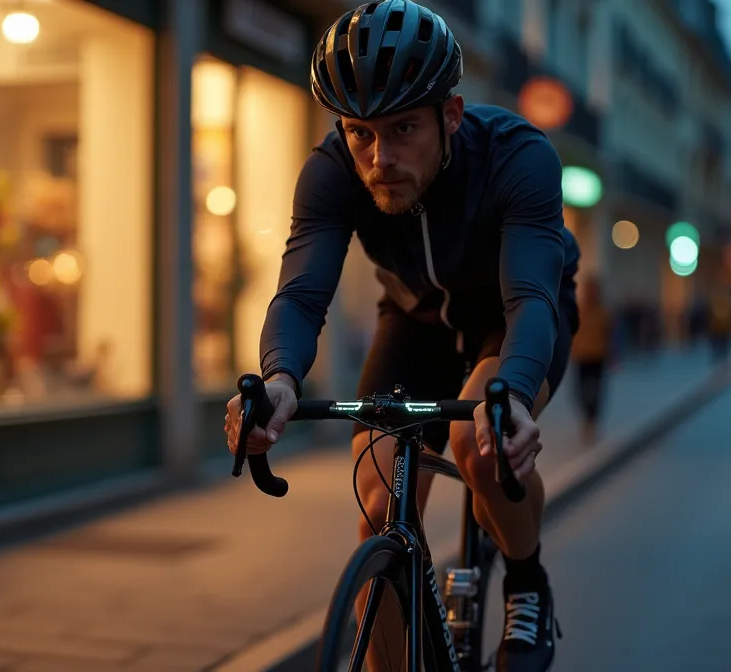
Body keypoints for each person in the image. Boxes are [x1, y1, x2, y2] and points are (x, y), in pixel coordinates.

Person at [221, 2, 579, 669]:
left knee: (480, 441)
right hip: (413, 324)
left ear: (451, 115)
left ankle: (527, 582)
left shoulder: (518, 156)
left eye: (403, 128)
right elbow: (302, 294)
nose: (379, 157)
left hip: (512, 318)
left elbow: (530, 298)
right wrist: (277, 381)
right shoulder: (333, 171)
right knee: (379, 504)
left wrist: (518, 399)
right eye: (359, 132)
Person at [571, 277, 610, 443]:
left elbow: (610, 335)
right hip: (581, 357)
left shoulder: (603, 312)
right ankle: (586, 418)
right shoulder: (578, 311)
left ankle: (592, 421)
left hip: (598, 357)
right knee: (580, 391)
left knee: (596, 391)